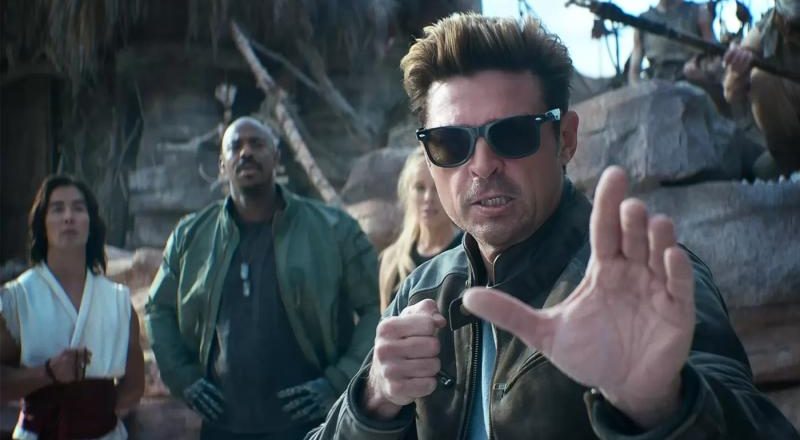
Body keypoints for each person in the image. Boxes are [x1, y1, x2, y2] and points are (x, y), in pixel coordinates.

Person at [307, 13, 799, 439]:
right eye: (450, 143)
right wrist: (372, 402)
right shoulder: (421, 290)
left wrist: (659, 406)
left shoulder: (644, 279)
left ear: (565, 139)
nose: (482, 165)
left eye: (513, 133)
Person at [145, 116, 380, 440]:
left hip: (311, 424)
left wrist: (338, 381)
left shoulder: (333, 229)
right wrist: (183, 378)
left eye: (257, 144)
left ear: (277, 157)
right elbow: (158, 309)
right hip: (222, 426)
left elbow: (376, 306)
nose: (246, 152)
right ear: (222, 165)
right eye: (235, 146)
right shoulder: (191, 236)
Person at [0, 175, 144, 439]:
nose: (68, 217)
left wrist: (93, 414)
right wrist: (47, 374)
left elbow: (133, 387)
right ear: (43, 224)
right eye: (57, 209)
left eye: (78, 208)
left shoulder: (118, 302)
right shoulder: (17, 299)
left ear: (91, 223)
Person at [723, 0, 800, 177]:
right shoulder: (768, 27)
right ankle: (790, 168)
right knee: (761, 79)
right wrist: (737, 70)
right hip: (791, 143)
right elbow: (730, 93)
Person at [379, 149, 462, 311]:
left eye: (436, 187)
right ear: (407, 192)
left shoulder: (469, 252)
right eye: (420, 188)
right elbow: (385, 322)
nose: (428, 198)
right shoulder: (392, 260)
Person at [629, 0, 716, 83]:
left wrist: (701, 71)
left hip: (693, 83)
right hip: (657, 84)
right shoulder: (644, 20)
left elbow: (714, 56)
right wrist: (637, 87)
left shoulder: (699, 12)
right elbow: (634, 70)